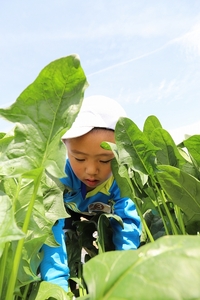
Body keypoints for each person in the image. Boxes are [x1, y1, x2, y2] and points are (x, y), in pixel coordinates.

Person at [40, 95, 141, 292]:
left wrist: (123, 277)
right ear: (66, 150)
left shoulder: (119, 178)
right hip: (68, 209)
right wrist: (56, 286)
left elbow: (128, 224)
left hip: (104, 211)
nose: (91, 170)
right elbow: (50, 227)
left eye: (105, 161)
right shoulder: (59, 172)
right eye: (79, 158)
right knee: (67, 235)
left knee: (109, 238)